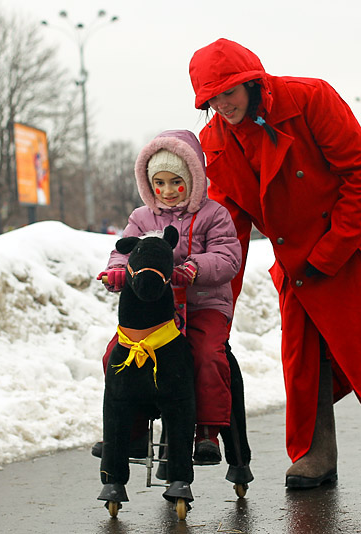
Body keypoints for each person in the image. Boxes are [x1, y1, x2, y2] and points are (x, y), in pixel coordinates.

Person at [188, 38, 361, 488]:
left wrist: (333, 250)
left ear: (253, 83)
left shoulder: (311, 98)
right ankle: (316, 452)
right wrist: (214, 299)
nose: (223, 105)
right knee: (305, 359)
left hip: (353, 244)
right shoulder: (215, 143)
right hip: (297, 260)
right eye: (212, 98)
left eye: (230, 92)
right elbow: (228, 229)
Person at [96, 129, 242, 464]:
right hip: (156, 309)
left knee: (205, 355)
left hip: (203, 303)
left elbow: (227, 257)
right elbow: (124, 251)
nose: (167, 191)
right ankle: (130, 430)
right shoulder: (141, 218)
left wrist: (195, 267)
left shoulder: (214, 215)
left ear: (193, 178)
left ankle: (206, 433)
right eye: (158, 183)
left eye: (176, 182)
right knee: (115, 357)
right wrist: (118, 271)